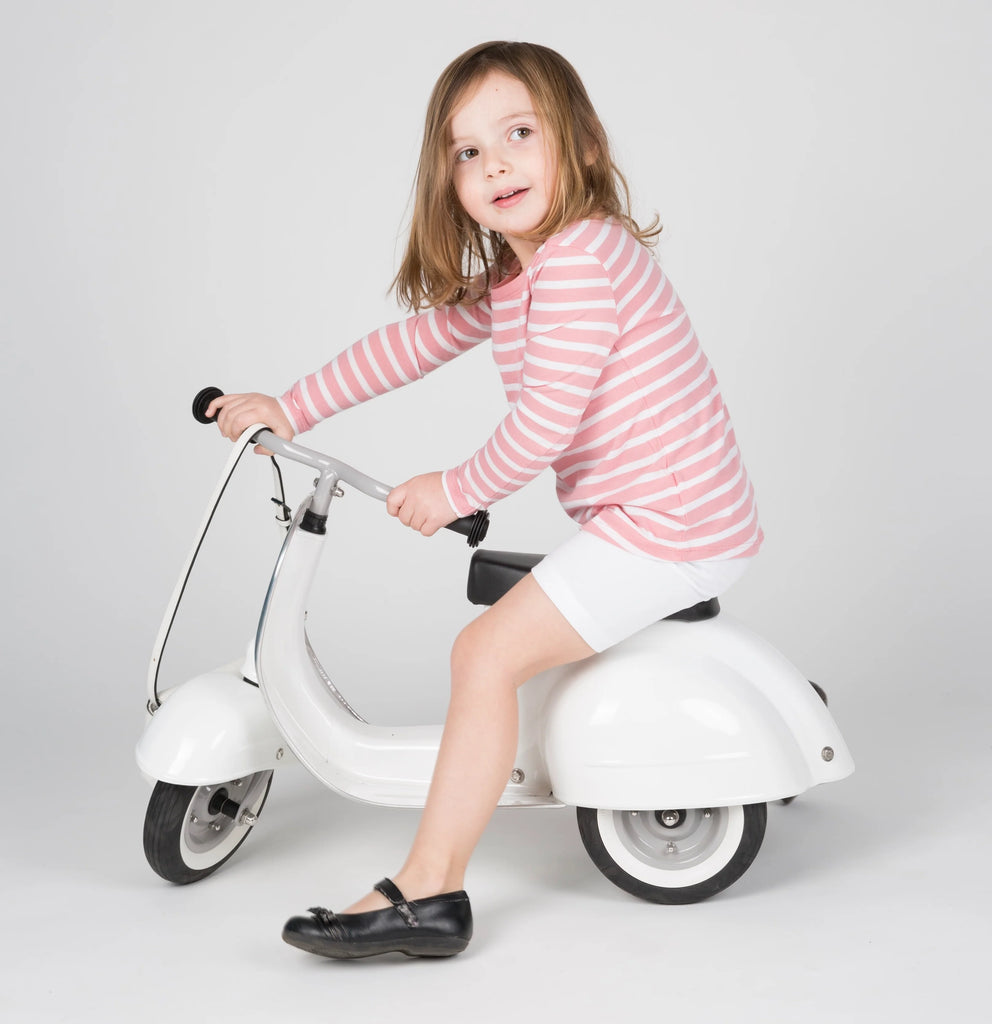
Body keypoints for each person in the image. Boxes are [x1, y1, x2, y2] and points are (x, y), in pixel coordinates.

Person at [208, 40, 763, 960]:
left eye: (517, 133)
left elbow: (546, 420)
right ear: (448, 180)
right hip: (658, 518)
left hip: (670, 529)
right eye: (467, 151)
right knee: (497, 640)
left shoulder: (582, 261)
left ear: (582, 144)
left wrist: (452, 490)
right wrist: (290, 404)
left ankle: (428, 892)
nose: (494, 162)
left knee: (484, 654)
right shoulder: (526, 273)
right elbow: (412, 346)